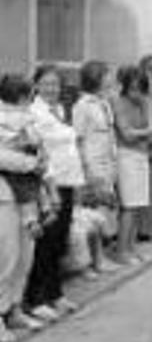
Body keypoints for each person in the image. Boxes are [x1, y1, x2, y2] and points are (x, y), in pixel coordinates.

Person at [25, 65, 86, 321]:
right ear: (36, 85)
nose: (53, 88)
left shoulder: (60, 110)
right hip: (49, 187)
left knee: (59, 241)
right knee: (45, 243)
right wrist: (50, 190)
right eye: (47, 83)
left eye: (56, 84)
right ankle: (36, 298)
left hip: (67, 182)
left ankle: (55, 293)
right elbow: (39, 152)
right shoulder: (33, 113)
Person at [0, 74, 49, 339]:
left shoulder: (29, 118)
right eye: (29, 93)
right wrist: (32, 163)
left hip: (28, 194)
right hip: (4, 197)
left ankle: (14, 309)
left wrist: (41, 159)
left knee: (24, 255)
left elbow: (41, 147)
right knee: (5, 257)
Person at [71, 61, 120, 277]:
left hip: (107, 162)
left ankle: (101, 257)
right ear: (96, 77)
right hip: (92, 164)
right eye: (106, 74)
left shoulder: (104, 102)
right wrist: (87, 170)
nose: (110, 78)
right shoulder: (83, 105)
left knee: (105, 211)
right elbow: (78, 139)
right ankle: (91, 262)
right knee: (93, 212)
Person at [110, 66, 152, 265]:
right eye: (132, 89)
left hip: (141, 155)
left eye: (139, 88)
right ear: (125, 87)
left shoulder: (145, 102)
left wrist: (142, 131)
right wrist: (144, 132)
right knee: (129, 205)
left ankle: (132, 248)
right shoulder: (118, 102)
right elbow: (126, 134)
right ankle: (121, 251)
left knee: (138, 204)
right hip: (126, 155)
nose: (135, 93)